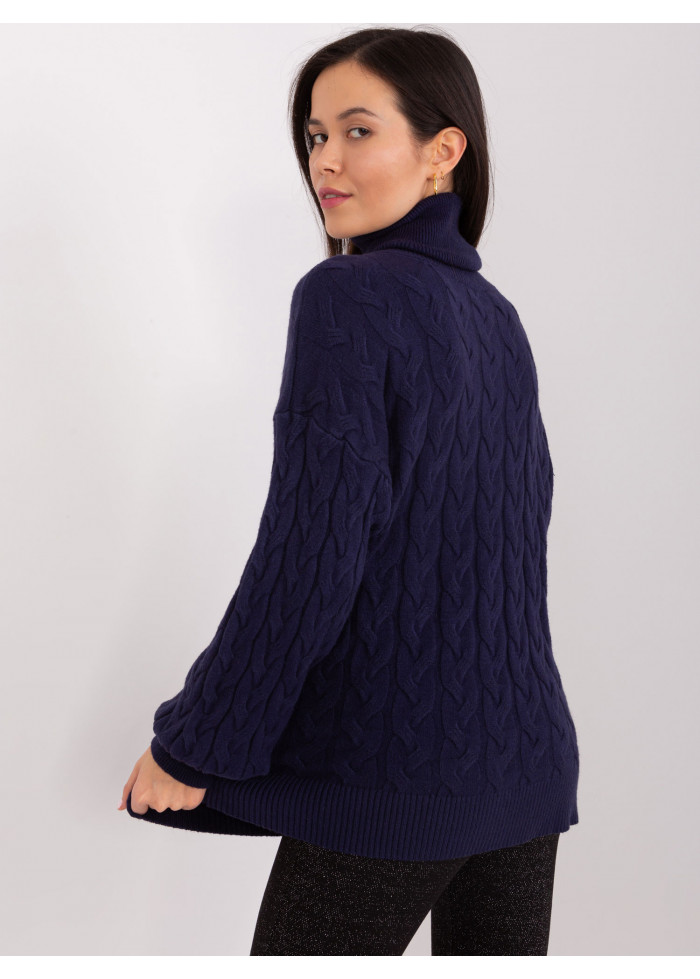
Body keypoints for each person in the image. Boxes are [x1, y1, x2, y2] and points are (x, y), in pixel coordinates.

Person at [119, 26, 580, 955]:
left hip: (397, 770)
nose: (325, 160)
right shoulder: (496, 318)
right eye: (316, 135)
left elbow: (311, 553)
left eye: (358, 131)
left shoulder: (347, 296)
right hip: (526, 764)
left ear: (444, 149)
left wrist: (195, 740)